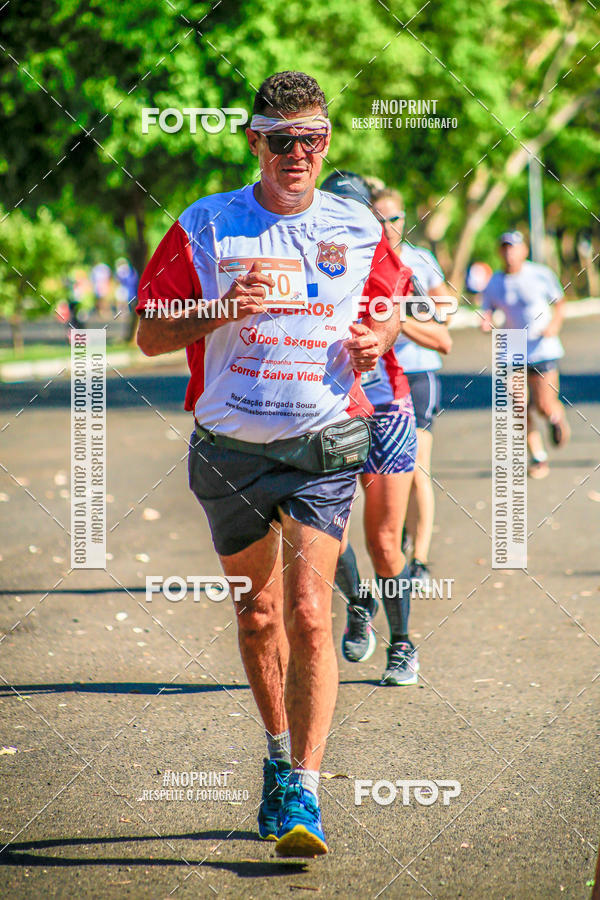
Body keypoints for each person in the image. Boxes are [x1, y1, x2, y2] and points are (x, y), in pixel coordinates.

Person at [135, 72, 403, 858]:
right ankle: (278, 754)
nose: (297, 153)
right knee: (257, 616)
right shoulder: (207, 223)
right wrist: (220, 308)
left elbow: (389, 297)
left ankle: (305, 794)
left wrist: (379, 339)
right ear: (253, 140)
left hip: (324, 443)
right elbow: (150, 333)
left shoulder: (356, 225)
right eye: (280, 139)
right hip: (229, 449)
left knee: (312, 614)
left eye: (311, 138)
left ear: (326, 142)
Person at [323, 173, 452, 685]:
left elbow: (441, 336)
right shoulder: (308, 260)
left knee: (381, 540)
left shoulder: (392, 268)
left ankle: (402, 645)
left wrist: (392, 323)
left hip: (386, 409)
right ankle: (359, 604)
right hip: (326, 413)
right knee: (324, 533)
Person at [371, 187, 453, 587]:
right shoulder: (361, 260)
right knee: (383, 475)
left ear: (406, 220)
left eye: (394, 219)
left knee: (417, 469)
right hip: (375, 380)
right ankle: (395, 542)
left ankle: (419, 559)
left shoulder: (420, 262)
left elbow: (443, 320)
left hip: (418, 374)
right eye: (379, 219)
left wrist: (399, 317)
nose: (388, 227)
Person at [480, 231, 570, 479]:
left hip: (543, 348)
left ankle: (554, 414)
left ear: (524, 250)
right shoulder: (495, 282)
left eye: (514, 247)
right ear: (500, 252)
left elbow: (559, 302)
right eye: (505, 247)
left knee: (542, 405)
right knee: (518, 405)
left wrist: (554, 325)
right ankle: (538, 457)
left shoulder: (539, 274)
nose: (509, 252)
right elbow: (486, 309)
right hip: (513, 350)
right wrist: (486, 321)